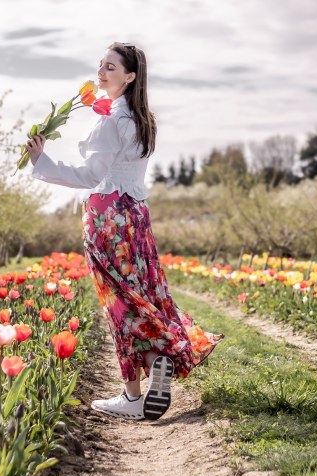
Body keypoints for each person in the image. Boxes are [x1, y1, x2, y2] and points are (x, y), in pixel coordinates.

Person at [26, 42, 223, 421]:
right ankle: (153, 360)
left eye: (111, 67)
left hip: (106, 218)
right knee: (141, 292)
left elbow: (89, 176)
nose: (101, 72)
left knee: (118, 301)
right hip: (135, 214)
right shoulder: (141, 119)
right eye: (101, 65)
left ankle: (134, 392)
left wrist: (41, 161)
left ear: (129, 76)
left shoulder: (111, 121)